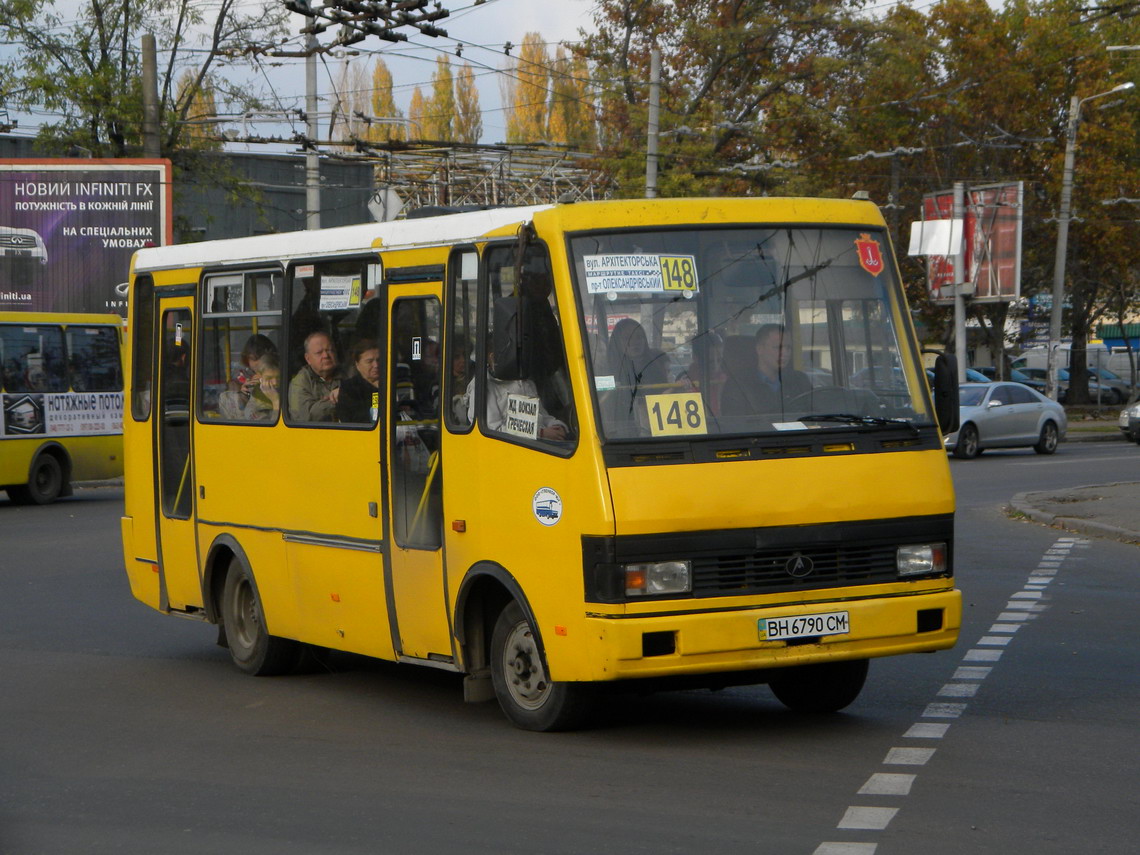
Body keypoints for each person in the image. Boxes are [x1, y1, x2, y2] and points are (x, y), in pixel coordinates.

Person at [468, 340, 568, 441]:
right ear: (493, 358)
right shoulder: (483, 386)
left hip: (540, 444)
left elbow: (541, 415)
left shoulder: (526, 383)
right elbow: (493, 430)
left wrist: (556, 426)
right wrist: (540, 433)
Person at [720, 324, 811, 416]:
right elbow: (734, 425)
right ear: (760, 349)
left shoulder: (800, 380)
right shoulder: (738, 385)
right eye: (777, 347)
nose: (785, 353)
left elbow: (815, 416)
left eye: (788, 348)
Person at [219, 334, 278, 420]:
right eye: (252, 359)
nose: (256, 363)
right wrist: (243, 389)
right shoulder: (246, 372)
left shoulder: (275, 372)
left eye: (259, 358)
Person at [288, 330, 340, 421]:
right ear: (308, 359)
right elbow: (305, 417)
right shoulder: (300, 381)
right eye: (319, 352)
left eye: (329, 350)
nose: (326, 355)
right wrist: (341, 397)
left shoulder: (348, 372)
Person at [336, 338, 381, 424]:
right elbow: (353, 419)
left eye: (379, 360)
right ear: (357, 364)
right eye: (369, 361)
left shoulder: (393, 382)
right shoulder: (349, 388)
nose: (376, 365)